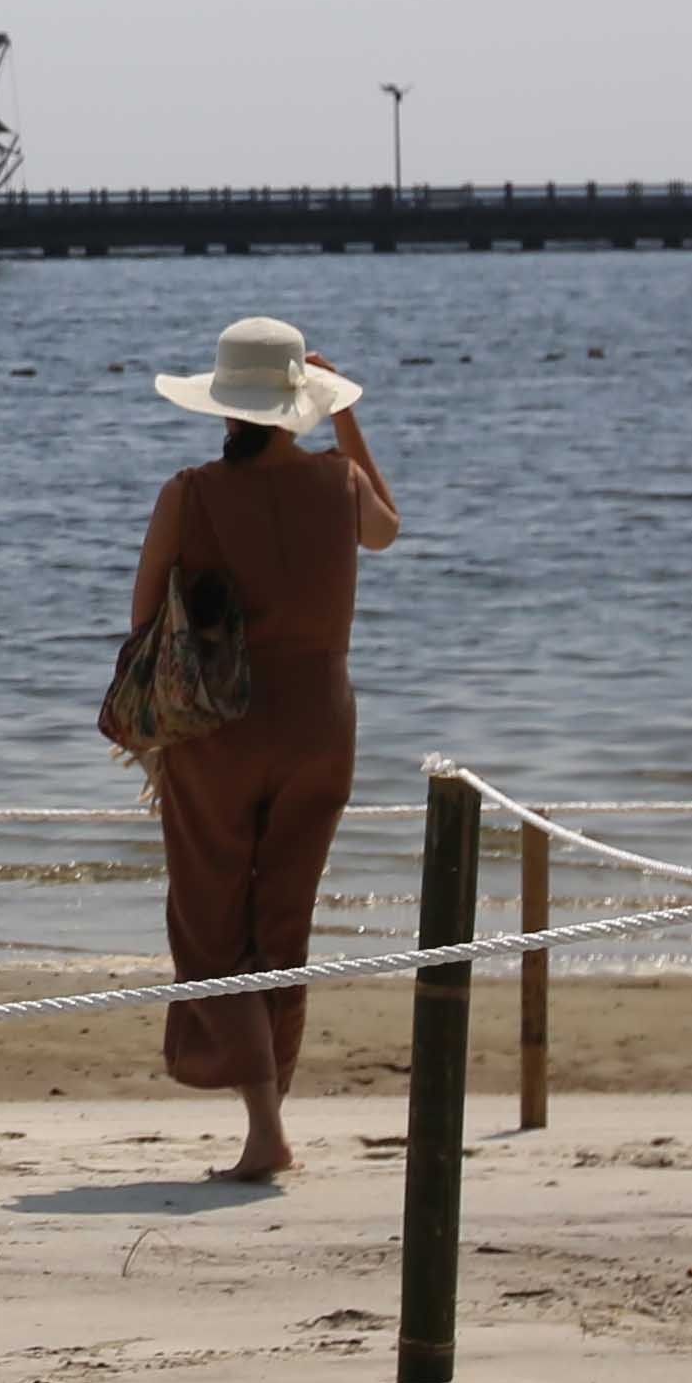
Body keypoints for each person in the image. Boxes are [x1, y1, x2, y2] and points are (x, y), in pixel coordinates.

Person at [131, 316, 400, 1177]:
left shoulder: (191, 493)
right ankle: (269, 1118)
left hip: (222, 725)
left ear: (223, 405)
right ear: (300, 404)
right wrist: (345, 411)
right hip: (323, 724)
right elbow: (387, 528)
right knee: (282, 922)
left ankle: (262, 1129)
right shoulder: (339, 484)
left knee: (211, 922)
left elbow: (143, 620)